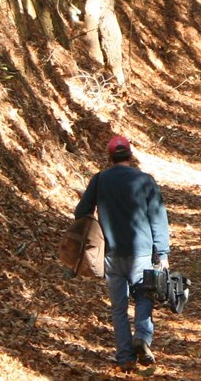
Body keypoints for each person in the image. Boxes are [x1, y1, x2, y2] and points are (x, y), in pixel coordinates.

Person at [75, 134, 171, 371]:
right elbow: (158, 217)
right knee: (144, 297)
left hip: (111, 254)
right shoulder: (145, 180)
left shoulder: (100, 180)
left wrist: (96, 232)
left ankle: (126, 357)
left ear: (110, 157)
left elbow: (81, 212)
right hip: (142, 253)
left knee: (118, 308)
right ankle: (142, 337)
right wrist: (163, 252)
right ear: (130, 154)